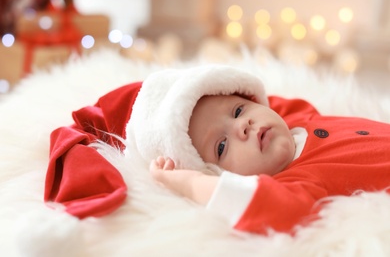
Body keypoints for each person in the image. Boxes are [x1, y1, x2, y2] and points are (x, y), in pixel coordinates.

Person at [45, 64, 390, 235]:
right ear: (221, 175)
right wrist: (189, 183)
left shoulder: (297, 116)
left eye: (239, 110)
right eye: (222, 146)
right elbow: (269, 209)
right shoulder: (296, 181)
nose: (243, 126)